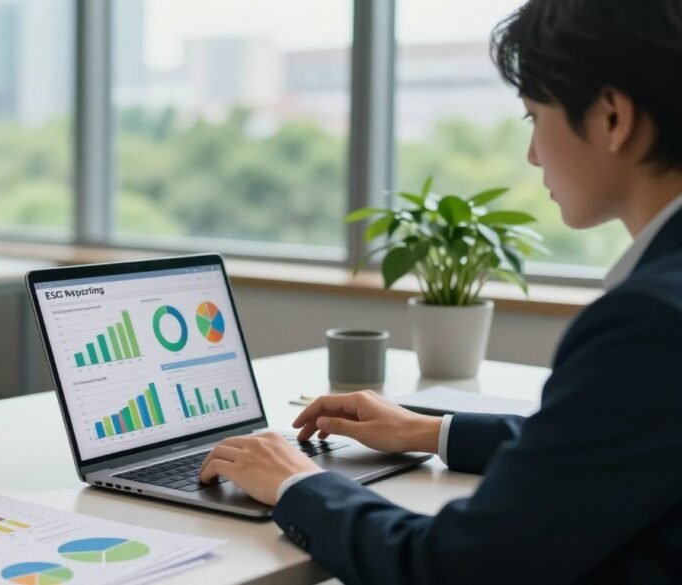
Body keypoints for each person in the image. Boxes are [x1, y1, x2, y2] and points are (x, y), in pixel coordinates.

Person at [198, 0, 682, 583]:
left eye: (533, 117)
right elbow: (607, 444)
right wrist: (429, 430)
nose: (532, 155)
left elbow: (452, 567)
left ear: (613, 118)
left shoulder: (649, 321)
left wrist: (296, 482)